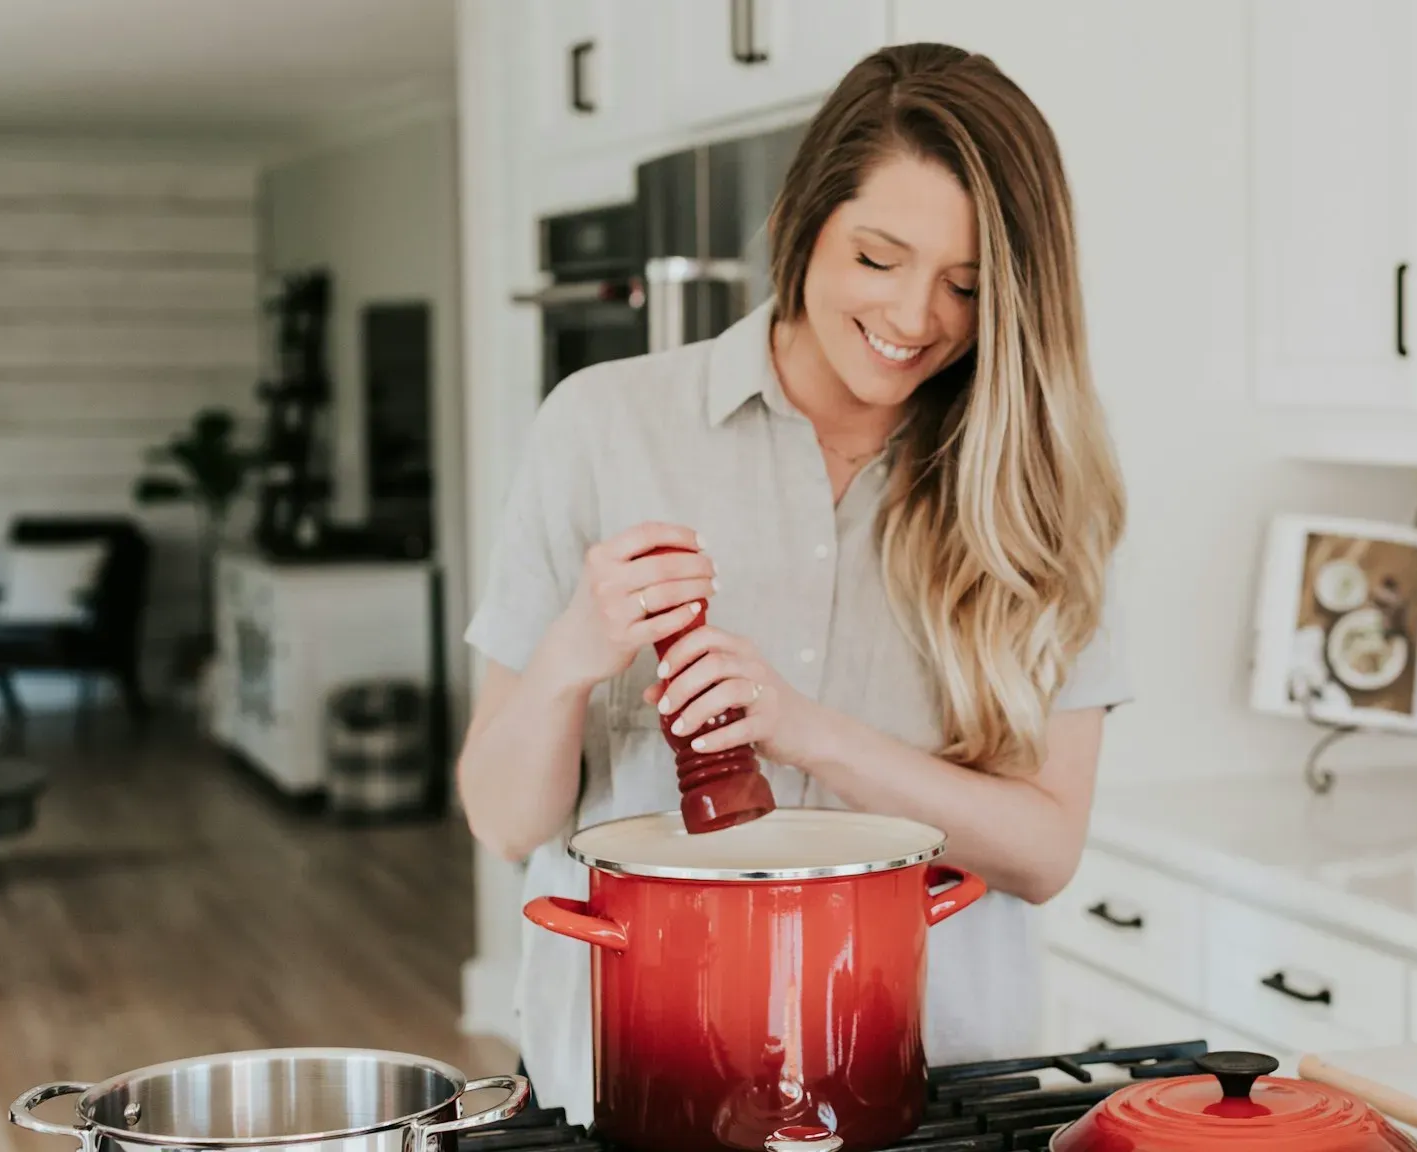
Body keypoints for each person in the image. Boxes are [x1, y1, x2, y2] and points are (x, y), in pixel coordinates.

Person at [456, 42, 1130, 1122]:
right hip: (636, 1083)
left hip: (930, 1090)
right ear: (802, 224)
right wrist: (572, 655)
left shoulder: (1040, 490)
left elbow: (1044, 851)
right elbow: (498, 817)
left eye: (966, 285)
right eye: (877, 258)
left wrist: (802, 729)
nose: (915, 317)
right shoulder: (602, 424)